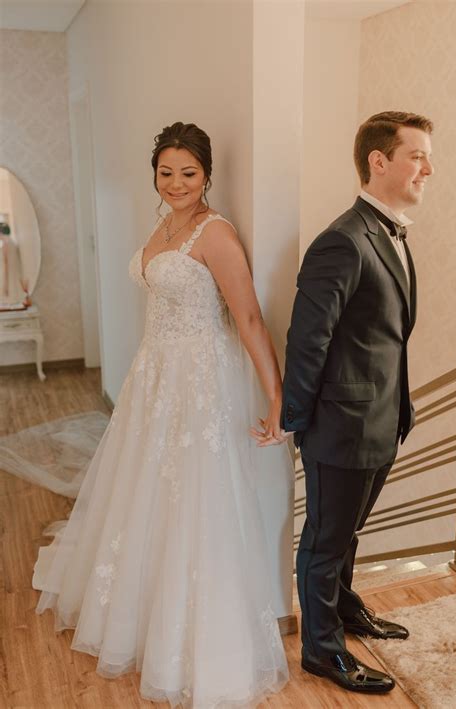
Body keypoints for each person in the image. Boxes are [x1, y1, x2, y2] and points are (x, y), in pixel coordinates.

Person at [33, 121, 291, 707]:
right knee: (147, 492)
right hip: (155, 376)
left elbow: (249, 318)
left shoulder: (216, 233)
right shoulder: (165, 223)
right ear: (156, 173)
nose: (176, 183)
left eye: (189, 173)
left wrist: (278, 399)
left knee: (194, 498)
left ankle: (189, 634)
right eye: (166, 172)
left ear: (208, 175)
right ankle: (142, 607)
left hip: (199, 380)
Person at [279, 111, 434, 693]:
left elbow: (385, 337)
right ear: (380, 161)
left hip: (383, 419)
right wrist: (298, 422)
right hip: (339, 427)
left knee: (348, 534)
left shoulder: (389, 232)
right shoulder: (341, 241)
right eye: (417, 155)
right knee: (324, 541)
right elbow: (307, 341)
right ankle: (323, 652)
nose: (427, 167)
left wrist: (400, 406)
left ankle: (347, 610)